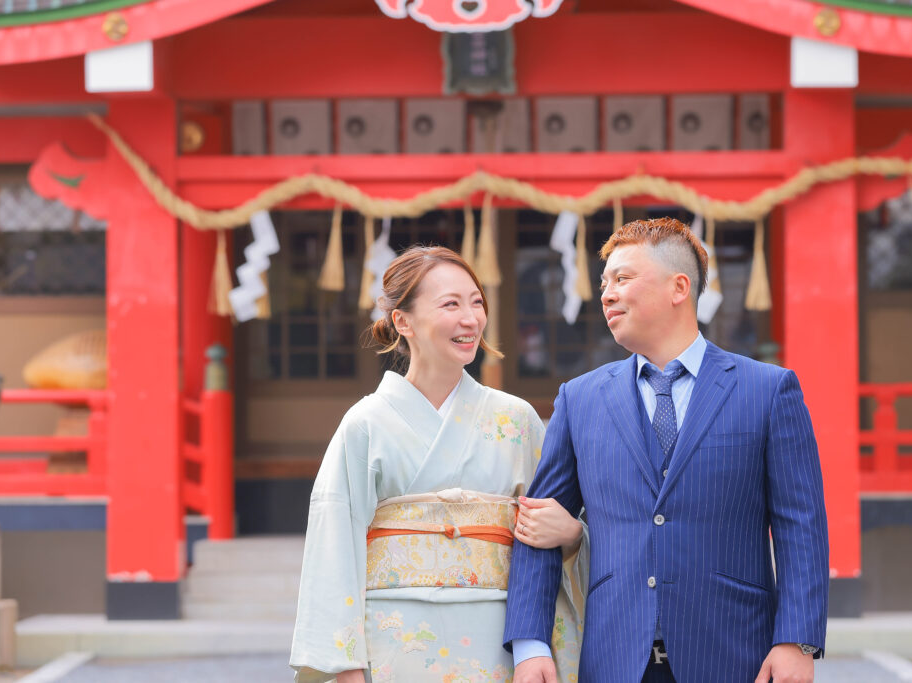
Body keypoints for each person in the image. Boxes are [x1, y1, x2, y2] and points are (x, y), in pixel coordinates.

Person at [504, 218, 829, 683]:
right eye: (604, 283)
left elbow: (802, 526)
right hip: (615, 656)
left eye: (623, 278)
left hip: (736, 655)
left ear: (680, 287)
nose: (607, 294)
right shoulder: (580, 399)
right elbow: (537, 523)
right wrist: (530, 646)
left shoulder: (767, 390)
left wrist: (796, 640)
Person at [290, 246, 587, 683]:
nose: (471, 319)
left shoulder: (517, 420)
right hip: (393, 640)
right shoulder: (365, 424)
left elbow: (550, 533)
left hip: (499, 639)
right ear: (402, 321)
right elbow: (333, 546)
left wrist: (573, 534)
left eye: (476, 302)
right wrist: (345, 666)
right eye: (451, 304)